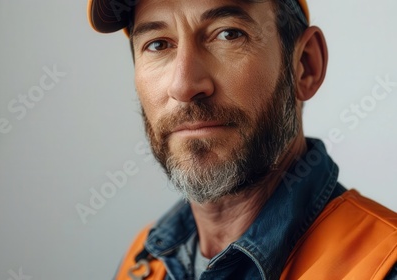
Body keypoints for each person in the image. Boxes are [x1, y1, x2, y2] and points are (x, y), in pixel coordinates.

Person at [87, 0, 397, 279]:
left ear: (304, 67)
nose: (184, 85)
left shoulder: (384, 264)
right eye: (158, 44)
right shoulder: (144, 260)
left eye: (228, 34)